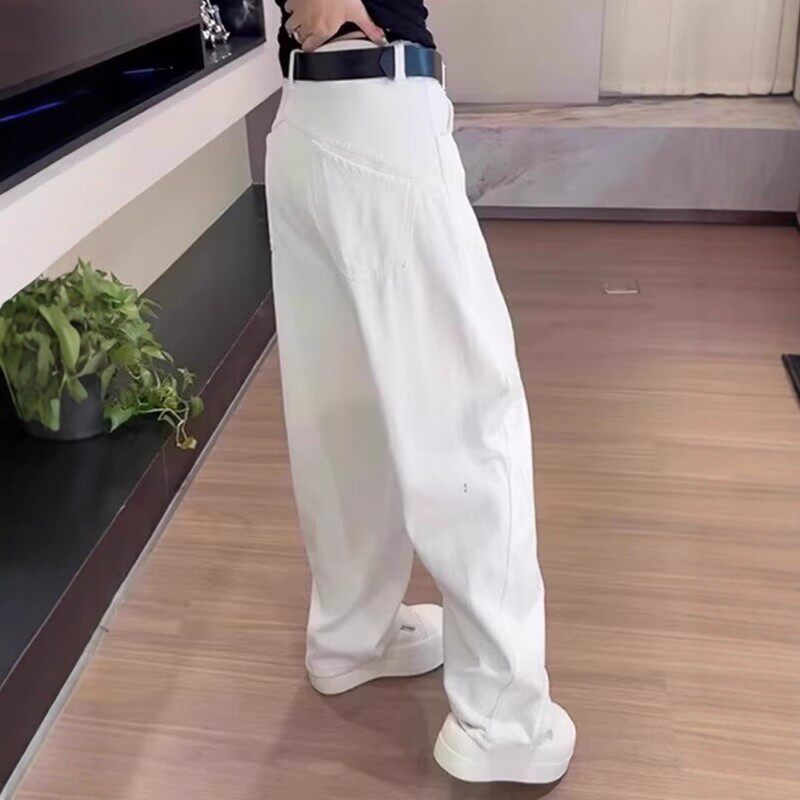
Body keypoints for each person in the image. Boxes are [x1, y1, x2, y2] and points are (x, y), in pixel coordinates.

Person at [265, 0, 576, 784]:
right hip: (380, 109)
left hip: (305, 120)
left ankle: (352, 635)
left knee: (345, 409)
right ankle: (504, 720)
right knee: (469, 416)